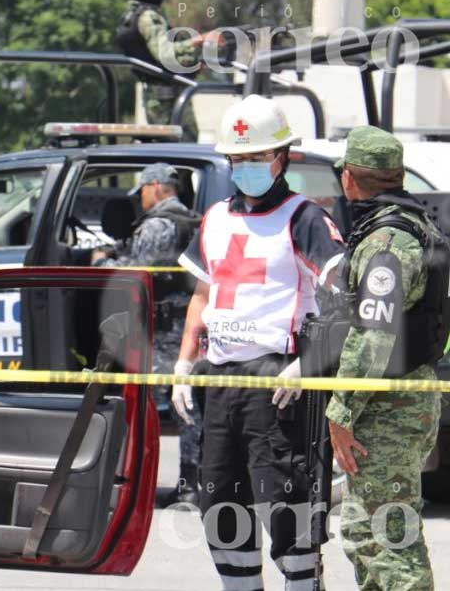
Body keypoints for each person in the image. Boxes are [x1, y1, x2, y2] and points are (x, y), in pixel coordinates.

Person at [174, 95, 345, 591]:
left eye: (256, 157)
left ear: (282, 157)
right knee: (221, 507)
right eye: (237, 158)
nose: (245, 167)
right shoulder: (214, 219)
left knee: (286, 508)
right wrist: (184, 364)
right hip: (223, 382)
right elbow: (203, 295)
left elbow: (345, 300)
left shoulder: (305, 217)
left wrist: (306, 364)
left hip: (279, 384)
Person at [324, 126, 444, 591]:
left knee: (387, 538)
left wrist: (342, 410)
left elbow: (373, 336)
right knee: (366, 530)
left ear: (351, 177)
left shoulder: (387, 241)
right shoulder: (413, 225)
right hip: (401, 399)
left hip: (386, 409)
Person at [94, 162, 203, 504]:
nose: (140, 199)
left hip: (163, 331)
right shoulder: (194, 221)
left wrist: (102, 262)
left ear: (155, 187)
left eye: (141, 191)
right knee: (187, 405)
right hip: (186, 325)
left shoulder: (157, 224)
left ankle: (134, 482)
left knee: (143, 405)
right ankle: (191, 482)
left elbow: (134, 274)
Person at [114, 0, 222, 133]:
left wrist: (191, 64)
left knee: (169, 146)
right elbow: (165, 53)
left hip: (159, 94)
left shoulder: (131, 16)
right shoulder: (149, 17)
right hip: (166, 98)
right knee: (184, 147)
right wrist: (199, 40)